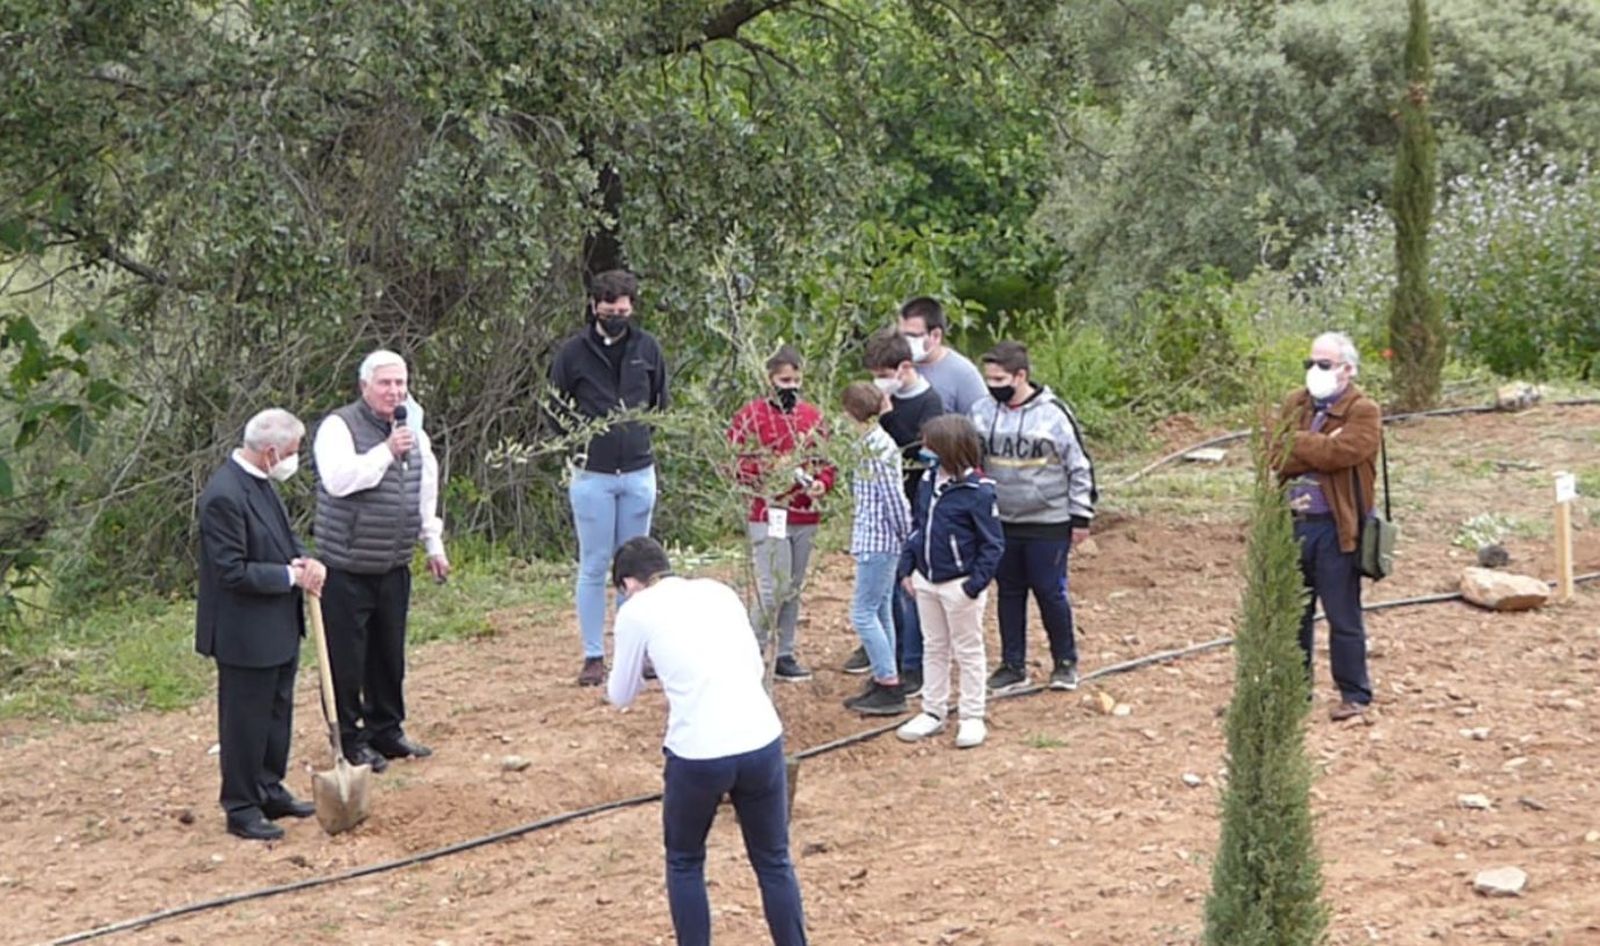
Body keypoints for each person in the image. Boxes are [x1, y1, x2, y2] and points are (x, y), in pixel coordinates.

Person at [606, 536, 808, 946]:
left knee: (684, 860)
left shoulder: (636, 613)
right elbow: (752, 664)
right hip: (760, 738)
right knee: (773, 861)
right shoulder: (718, 591)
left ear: (629, 584)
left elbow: (620, 694)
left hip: (698, 752)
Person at [313, 349, 450, 773]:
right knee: (347, 658)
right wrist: (387, 450)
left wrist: (433, 543)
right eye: (385, 384)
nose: (395, 392)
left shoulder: (415, 430)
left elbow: (425, 487)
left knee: (389, 653)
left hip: (393, 561)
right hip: (346, 562)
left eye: (400, 383)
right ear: (364, 387)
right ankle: (350, 739)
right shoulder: (339, 427)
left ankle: (387, 729)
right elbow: (339, 481)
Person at [196, 408, 326, 841]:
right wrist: (289, 576)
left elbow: (283, 538)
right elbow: (231, 572)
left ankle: (269, 788)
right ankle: (241, 806)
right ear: (270, 452)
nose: (294, 458)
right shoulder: (223, 496)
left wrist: (305, 560)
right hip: (243, 632)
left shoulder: (263, 485)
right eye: (291, 451)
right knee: (244, 721)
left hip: (278, 626)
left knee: (276, 714)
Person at [550, 269, 670, 686]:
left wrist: (637, 439)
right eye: (609, 308)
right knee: (594, 564)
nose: (617, 315)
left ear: (632, 307)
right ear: (594, 306)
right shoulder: (572, 353)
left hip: (638, 471)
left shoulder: (647, 348)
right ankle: (593, 656)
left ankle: (636, 651)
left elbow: (660, 403)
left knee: (636, 564)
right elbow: (555, 406)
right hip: (592, 476)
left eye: (623, 309)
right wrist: (578, 447)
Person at [970, 341, 1097, 695]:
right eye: (989, 379)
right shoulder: (980, 412)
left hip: (1048, 519)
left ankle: (1065, 662)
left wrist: (1081, 517)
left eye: (999, 379)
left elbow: (1080, 465)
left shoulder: (1054, 414)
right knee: (1008, 591)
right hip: (1001, 519)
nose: (993, 386)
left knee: (1049, 590)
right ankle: (1013, 665)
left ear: (1020, 376)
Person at [1270, 331, 1381, 721]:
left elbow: (1344, 452)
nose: (1314, 371)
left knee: (1342, 614)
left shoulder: (1364, 410)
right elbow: (1273, 454)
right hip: (1293, 524)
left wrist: (1296, 444)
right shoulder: (1295, 403)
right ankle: (1292, 693)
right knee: (1292, 614)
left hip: (1337, 528)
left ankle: (1355, 694)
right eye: (1311, 363)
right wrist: (1316, 445)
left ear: (1347, 369)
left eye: (1324, 364)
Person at [843, 329, 945, 694]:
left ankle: (909, 665)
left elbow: (917, 452)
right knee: (885, 600)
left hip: (909, 508)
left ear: (903, 368)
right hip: (886, 513)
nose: (879, 382)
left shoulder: (928, 403)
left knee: (907, 592)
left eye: (883, 374)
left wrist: (886, 416)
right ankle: (890, 660)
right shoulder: (876, 425)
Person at [895, 415, 1005, 749]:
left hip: (960, 584)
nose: (925, 450)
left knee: (968, 649)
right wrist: (907, 568)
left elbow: (993, 544)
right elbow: (919, 527)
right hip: (926, 580)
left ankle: (972, 715)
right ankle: (933, 709)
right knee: (934, 645)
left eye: (930, 445)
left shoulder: (979, 492)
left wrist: (974, 585)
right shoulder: (929, 481)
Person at [729, 345, 835, 682]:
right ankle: (749, 649)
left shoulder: (811, 417)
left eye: (795, 380)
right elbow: (734, 463)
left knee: (793, 586)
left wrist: (821, 483)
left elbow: (827, 463)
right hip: (768, 510)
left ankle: (785, 652)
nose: (790, 386)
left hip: (804, 512)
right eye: (783, 380)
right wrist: (769, 467)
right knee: (772, 587)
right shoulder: (751, 416)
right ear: (770, 380)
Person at [839, 381, 912, 715]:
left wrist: (903, 537)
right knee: (880, 609)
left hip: (880, 541)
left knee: (863, 613)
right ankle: (886, 675)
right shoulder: (870, 443)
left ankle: (889, 684)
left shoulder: (878, 448)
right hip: (876, 539)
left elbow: (894, 499)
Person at [897, 296, 987, 417]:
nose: (906, 341)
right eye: (901, 336)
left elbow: (982, 424)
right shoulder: (895, 365)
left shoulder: (963, 374)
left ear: (935, 335)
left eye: (912, 336)